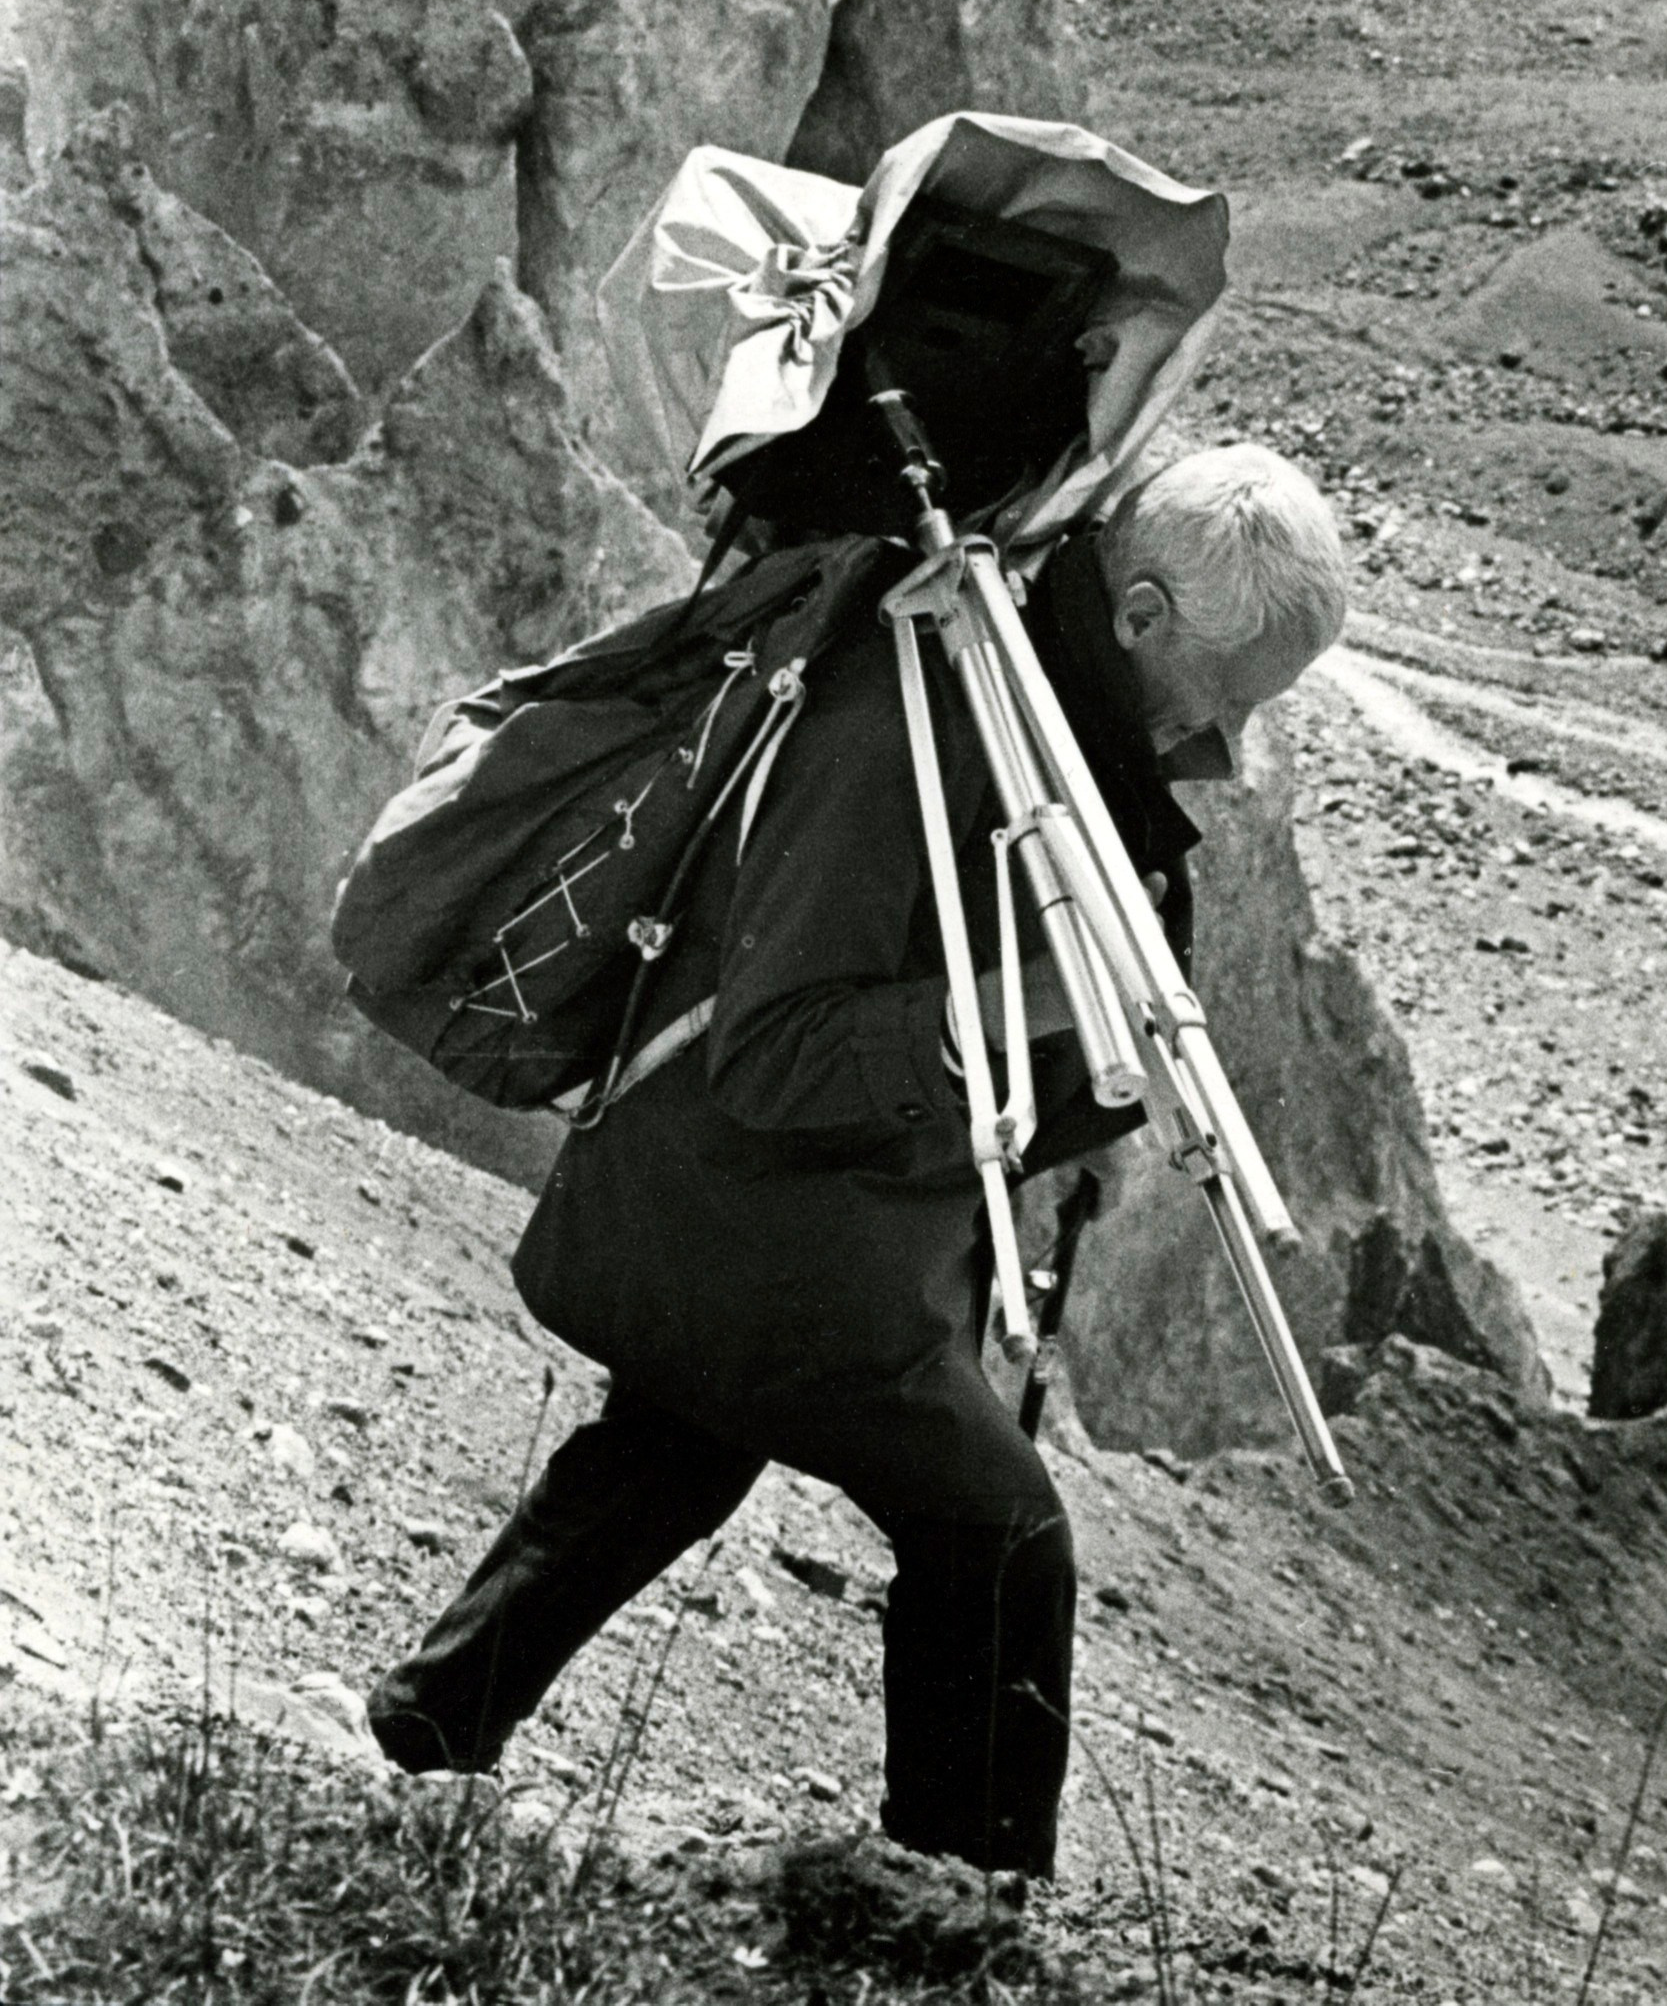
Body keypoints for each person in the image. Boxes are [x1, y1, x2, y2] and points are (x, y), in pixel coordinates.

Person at [366, 443, 1350, 1878]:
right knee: (1003, 1535)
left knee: (674, 1445)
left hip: (777, 1216)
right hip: (749, 1215)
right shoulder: (913, 708)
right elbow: (781, 1053)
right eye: (1235, 689)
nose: (1234, 739)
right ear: (1138, 614)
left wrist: (1090, 1065)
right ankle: (958, 1907)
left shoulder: (1041, 719)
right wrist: (1054, 996)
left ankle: (421, 1729)